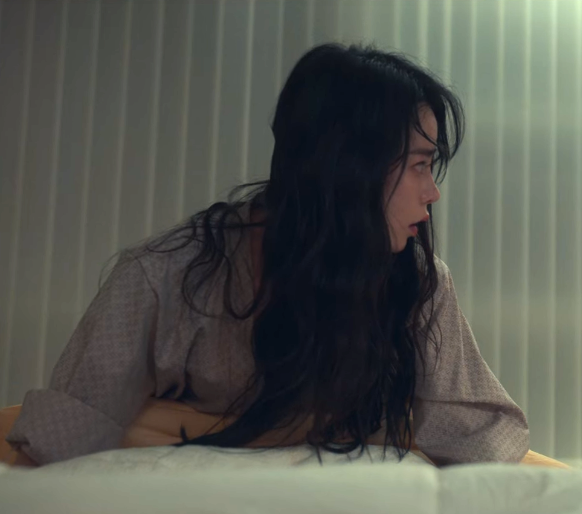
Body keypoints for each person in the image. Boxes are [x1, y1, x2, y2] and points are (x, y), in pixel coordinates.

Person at [6, 44, 529, 467]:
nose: (432, 193)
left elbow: (479, 439)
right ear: (347, 168)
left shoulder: (415, 280)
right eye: (419, 165)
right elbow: (60, 445)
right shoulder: (164, 278)